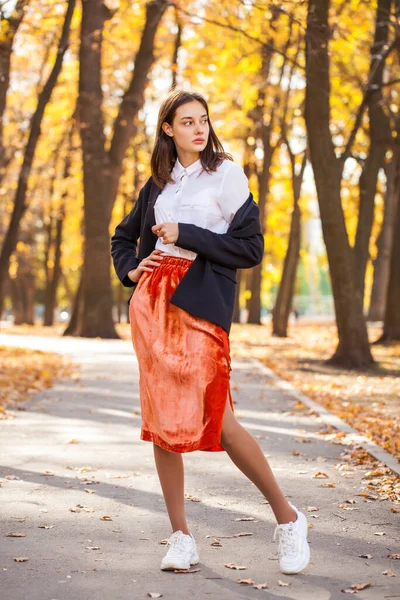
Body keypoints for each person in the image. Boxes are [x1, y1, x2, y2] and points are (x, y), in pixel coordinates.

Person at [111, 90, 310, 575]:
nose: (198, 129)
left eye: (203, 120)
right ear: (168, 129)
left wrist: (187, 233)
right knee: (161, 424)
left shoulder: (225, 174)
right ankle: (180, 537)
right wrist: (132, 270)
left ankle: (288, 519)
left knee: (218, 418)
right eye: (187, 122)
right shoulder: (157, 184)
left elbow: (251, 247)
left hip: (201, 304)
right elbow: (121, 236)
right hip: (155, 306)